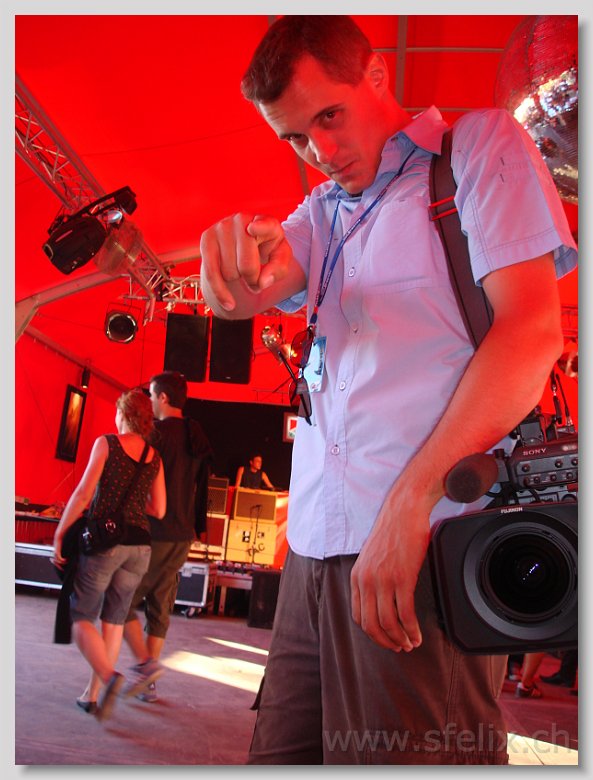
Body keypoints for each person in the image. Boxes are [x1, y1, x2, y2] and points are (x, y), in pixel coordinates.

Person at [199, 16, 577, 764]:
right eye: (295, 137)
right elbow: (251, 290)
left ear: (376, 74)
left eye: (329, 116)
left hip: (424, 540)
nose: (320, 151)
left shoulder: (476, 149)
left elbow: (532, 335)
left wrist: (409, 509)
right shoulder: (320, 212)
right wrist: (226, 271)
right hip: (312, 549)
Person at [51, 389, 166, 721]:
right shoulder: (154, 457)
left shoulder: (107, 444)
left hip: (106, 544)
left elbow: (83, 494)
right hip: (140, 547)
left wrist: (60, 532)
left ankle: (108, 676)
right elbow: (159, 509)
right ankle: (92, 695)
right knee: (114, 621)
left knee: (80, 616)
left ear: (124, 414)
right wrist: (135, 504)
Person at [123, 371, 213, 702]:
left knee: (121, 600)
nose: (149, 401)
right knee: (160, 605)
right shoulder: (195, 432)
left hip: (155, 530)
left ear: (162, 397)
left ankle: (145, 667)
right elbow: (202, 487)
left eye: (150, 395)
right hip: (183, 533)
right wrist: (199, 525)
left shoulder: (154, 434)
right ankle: (148, 683)